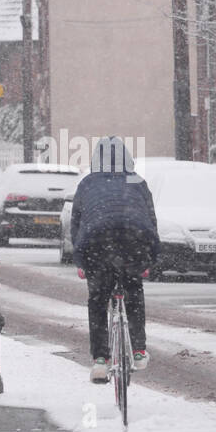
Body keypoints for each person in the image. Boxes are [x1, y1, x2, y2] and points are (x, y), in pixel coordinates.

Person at [69, 136, 160, 384]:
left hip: (97, 243)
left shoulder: (87, 183)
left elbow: (76, 223)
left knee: (98, 301)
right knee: (133, 292)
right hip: (134, 240)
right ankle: (139, 350)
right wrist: (149, 258)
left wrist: (81, 260)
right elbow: (150, 220)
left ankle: (100, 360)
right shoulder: (137, 181)